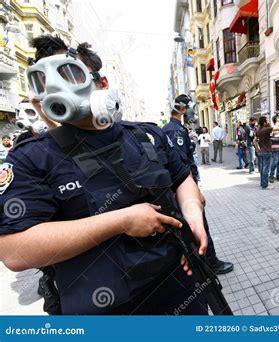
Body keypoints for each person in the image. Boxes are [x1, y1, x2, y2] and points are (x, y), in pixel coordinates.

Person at [0, 35, 209, 315]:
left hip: (180, 292)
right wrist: (121, 221)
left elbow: (182, 179)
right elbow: (14, 250)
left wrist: (194, 215)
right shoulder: (32, 157)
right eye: (46, 82)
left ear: (102, 84)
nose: (58, 88)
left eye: (70, 73)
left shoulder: (147, 134)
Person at [164, 94, 233, 274]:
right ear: (182, 109)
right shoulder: (175, 131)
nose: (193, 112)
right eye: (190, 107)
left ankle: (202, 262)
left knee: (194, 226)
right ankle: (210, 263)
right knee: (200, 225)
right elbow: (181, 167)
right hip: (185, 191)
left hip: (182, 190)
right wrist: (195, 192)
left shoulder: (175, 129)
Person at [255, 116, 279, 190]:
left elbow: (254, 140)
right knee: (266, 169)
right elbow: (277, 128)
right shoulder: (266, 129)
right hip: (267, 151)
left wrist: (257, 149)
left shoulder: (258, 129)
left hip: (261, 151)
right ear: (264, 122)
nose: (268, 121)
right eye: (267, 120)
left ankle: (262, 183)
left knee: (263, 169)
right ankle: (265, 185)